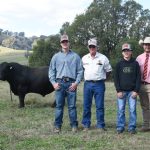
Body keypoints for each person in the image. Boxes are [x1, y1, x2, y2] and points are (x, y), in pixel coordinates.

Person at [48, 34, 83, 133]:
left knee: (72, 106)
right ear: (60, 43)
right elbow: (51, 71)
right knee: (59, 106)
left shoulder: (75, 56)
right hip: (59, 84)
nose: (65, 43)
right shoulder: (55, 57)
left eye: (66, 41)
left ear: (69, 42)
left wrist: (76, 83)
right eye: (63, 42)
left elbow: (80, 71)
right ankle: (57, 126)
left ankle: (74, 126)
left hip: (71, 84)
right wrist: (54, 83)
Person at [81, 38, 112, 132]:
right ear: (88, 47)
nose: (92, 48)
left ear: (96, 47)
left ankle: (100, 125)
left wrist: (102, 79)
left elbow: (109, 70)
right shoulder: (84, 58)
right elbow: (82, 70)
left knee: (99, 106)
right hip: (87, 84)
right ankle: (86, 125)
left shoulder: (103, 58)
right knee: (86, 105)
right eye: (90, 46)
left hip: (99, 84)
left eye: (93, 46)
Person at [114, 43, 141, 134]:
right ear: (122, 53)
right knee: (121, 110)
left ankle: (132, 127)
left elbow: (138, 78)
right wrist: (118, 90)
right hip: (121, 92)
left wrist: (136, 91)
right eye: (124, 51)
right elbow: (116, 78)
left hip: (132, 92)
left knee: (132, 110)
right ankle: (120, 126)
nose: (126, 52)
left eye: (128, 50)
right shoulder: (119, 64)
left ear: (131, 52)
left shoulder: (135, 64)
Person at [136, 37, 150, 132]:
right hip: (141, 85)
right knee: (145, 106)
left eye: (149, 44)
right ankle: (146, 125)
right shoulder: (139, 58)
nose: (147, 46)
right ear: (143, 46)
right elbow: (136, 73)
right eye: (146, 44)